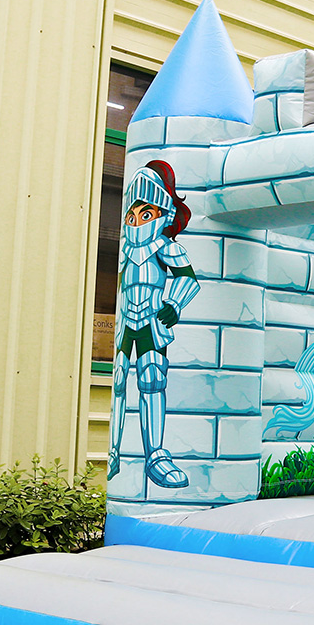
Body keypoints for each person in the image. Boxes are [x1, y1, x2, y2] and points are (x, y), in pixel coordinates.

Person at [107, 160, 200, 489]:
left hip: (150, 321)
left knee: (151, 380)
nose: (136, 222)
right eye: (132, 216)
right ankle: (114, 451)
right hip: (126, 324)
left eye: (145, 214)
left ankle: (156, 455)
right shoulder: (125, 250)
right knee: (119, 380)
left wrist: (174, 304)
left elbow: (188, 279)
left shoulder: (164, 246)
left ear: (163, 214)